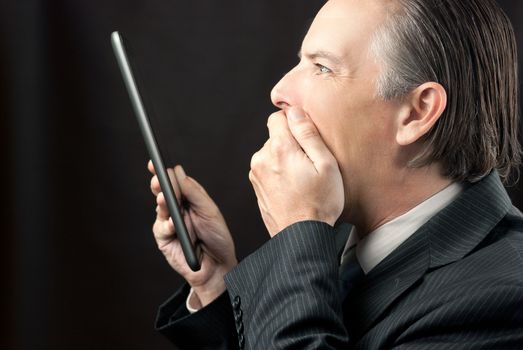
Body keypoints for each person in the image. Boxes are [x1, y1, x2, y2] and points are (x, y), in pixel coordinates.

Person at [148, 0, 523, 348]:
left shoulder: (503, 299)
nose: (279, 91)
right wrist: (217, 287)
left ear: (417, 113)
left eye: (322, 67)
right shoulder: (338, 240)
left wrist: (296, 233)